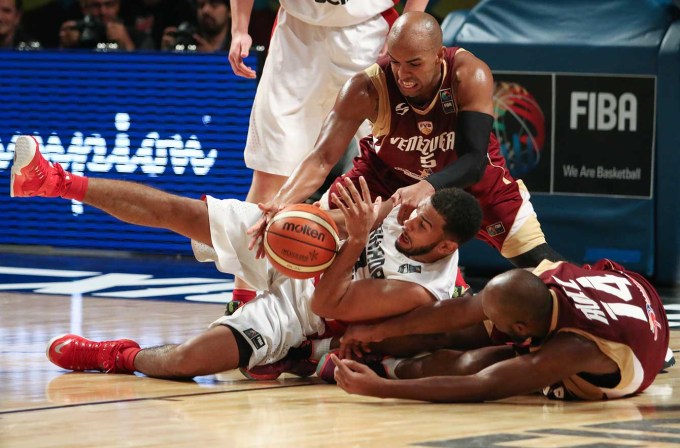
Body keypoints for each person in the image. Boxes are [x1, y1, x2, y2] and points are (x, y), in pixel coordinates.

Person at [9, 135, 483, 378]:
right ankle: (52, 180)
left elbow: (328, 305)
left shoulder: (421, 290)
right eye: (415, 214)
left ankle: (116, 355)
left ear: (446, 247)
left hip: (303, 312)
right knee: (185, 213)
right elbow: (338, 225)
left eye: (422, 227)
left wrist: (356, 241)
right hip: (312, 254)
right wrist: (286, 222)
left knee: (189, 362)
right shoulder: (408, 209)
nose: (409, 224)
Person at [254, 11, 564, 271]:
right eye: (396, 62)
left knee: (540, 264)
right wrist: (282, 201)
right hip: (387, 176)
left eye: (414, 64)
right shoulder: (366, 87)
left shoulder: (468, 74)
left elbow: (474, 161)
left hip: (471, 183)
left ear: (439, 55)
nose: (403, 74)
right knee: (307, 229)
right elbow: (321, 158)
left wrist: (427, 185)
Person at [228, 0, 429, 305]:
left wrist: (404, 32)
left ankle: (409, 286)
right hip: (297, 35)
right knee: (270, 175)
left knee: (392, 175)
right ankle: (243, 298)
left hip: (371, 34)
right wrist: (239, 27)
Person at [330, 259, 670, 402]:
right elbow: (459, 311)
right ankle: (357, 350)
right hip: (622, 299)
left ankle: (388, 368)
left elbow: (482, 385)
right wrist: (378, 330)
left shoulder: (575, 347)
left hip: (627, 344)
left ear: (521, 329)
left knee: (466, 364)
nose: (482, 314)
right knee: (453, 330)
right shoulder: (543, 277)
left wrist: (379, 388)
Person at [59, 0, 136, 50]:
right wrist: (64, 46)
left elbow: (140, 72)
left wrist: (126, 44)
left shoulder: (134, 36)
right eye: (95, 5)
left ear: (118, 6)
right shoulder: (76, 32)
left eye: (109, 4)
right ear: (84, 8)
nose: (103, 12)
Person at [161, 0, 230, 52]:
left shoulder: (238, 47)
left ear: (230, 11)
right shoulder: (187, 39)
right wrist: (167, 55)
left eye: (214, 4)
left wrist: (211, 57)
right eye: (201, 5)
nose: (205, 10)